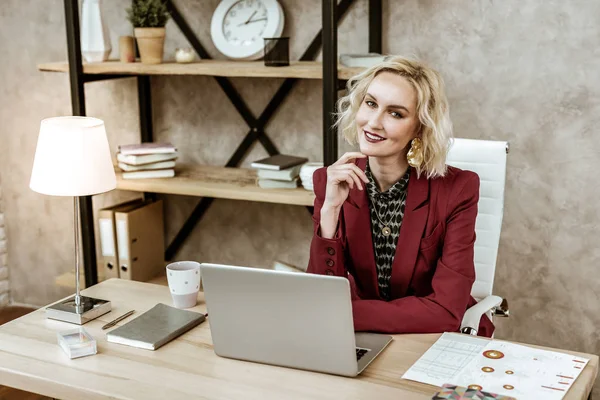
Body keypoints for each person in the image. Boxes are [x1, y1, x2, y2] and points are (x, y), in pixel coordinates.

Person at [307, 56, 494, 337]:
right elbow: (319, 293)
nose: (374, 122)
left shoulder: (458, 189)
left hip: (435, 338)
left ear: (419, 127)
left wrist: (339, 312)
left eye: (395, 113)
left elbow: (446, 311)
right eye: (370, 104)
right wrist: (330, 211)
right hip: (364, 336)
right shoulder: (330, 181)